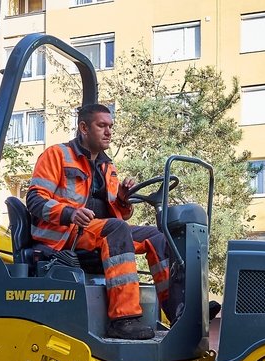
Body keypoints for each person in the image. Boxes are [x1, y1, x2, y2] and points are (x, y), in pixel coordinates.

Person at [26, 103, 183, 340]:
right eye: (102, 125)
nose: (108, 131)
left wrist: (122, 198)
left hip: (98, 232)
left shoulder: (107, 166)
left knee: (157, 237)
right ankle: (124, 319)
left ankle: (178, 310)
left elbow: (117, 213)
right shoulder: (57, 155)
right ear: (84, 127)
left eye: (110, 126)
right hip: (65, 235)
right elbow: (35, 200)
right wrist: (70, 213)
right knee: (117, 230)